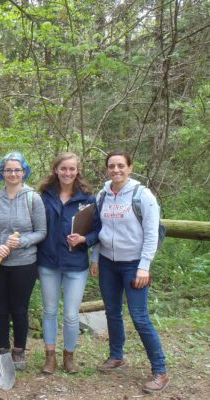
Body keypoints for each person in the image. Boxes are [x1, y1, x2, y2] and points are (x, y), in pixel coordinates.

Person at [90, 150, 169, 393]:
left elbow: (151, 233)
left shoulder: (142, 195)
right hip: (107, 263)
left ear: (130, 167)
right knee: (112, 312)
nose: (116, 170)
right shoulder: (102, 195)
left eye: (121, 166)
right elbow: (97, 228)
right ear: (106, 169)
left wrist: (144, 266)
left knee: (139, 316)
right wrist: (95, 258)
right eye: (111, 166)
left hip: (134, 265)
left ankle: (160, 370)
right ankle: (117, 356)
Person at [37, 152, 100, 374]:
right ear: (56, 170)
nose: (67, 173)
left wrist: (85, 239)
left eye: (72, 169)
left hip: (76, 264)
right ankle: (50, 357)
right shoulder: (44, 196)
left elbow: (98, 230)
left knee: (72, 314)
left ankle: (69, 356)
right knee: (50, 311)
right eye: (63, 168)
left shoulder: (87, 198)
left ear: (77, 171)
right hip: (48, 263)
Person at [0, 152, 46, 371]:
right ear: (2, 172)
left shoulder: (33, 198)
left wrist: (22, 242)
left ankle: (18, 350)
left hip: (24, 264)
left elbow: (41, 231)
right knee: (0, 308)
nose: (13, 174)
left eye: (17, 170)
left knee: (19, 309)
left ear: (24, 172)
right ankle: (2, 349)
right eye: (8, 170)